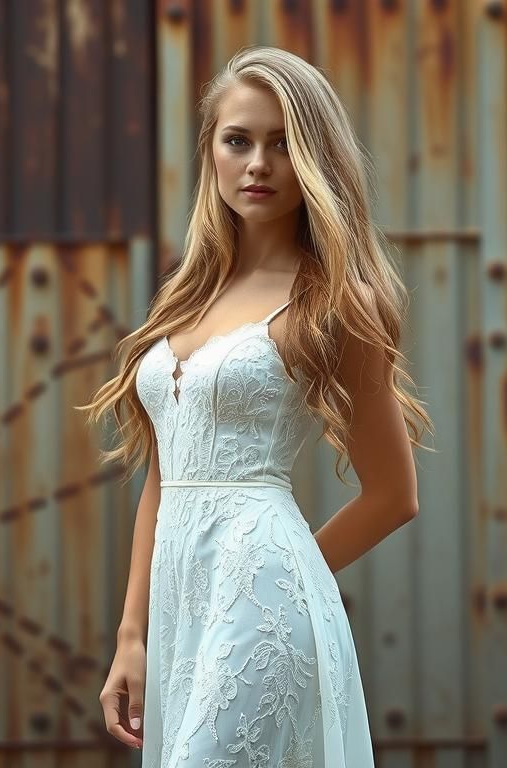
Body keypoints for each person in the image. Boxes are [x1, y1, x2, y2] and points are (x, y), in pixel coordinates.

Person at [77, 44, 433, 767]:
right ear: (211, 150)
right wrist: (130, 635)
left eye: (282, 143)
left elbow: (394, 495)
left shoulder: (336, 302)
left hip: (263, 598)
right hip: (180, 609)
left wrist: (285, 579)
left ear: (314, 158)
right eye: (238, 140)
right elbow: (165, 478)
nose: (258, 163)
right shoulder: (187, 295)